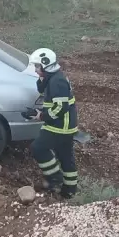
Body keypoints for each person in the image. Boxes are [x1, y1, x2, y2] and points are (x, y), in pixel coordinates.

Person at [28, 48, 79, 198]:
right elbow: (42, 89)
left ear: (45, 65)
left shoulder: (58, 81)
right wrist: (42, 78)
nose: (36, 70)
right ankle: (69, 192)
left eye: (37, 66)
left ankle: (55, 178)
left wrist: (41, 116)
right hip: (64, 125)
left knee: (38, 148)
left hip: (60, 126)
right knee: (65, 157)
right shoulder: (53, 78)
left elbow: (60, 108)